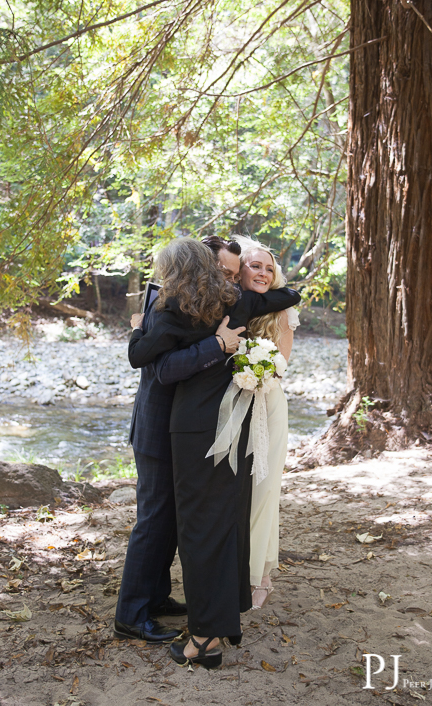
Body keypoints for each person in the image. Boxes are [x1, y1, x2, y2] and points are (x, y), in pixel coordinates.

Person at [127, 237, 300, 667]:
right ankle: (217, 624)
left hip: (200, 427)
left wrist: (138, 325)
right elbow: (289, 295)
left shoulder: (181, 308)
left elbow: (140, 356)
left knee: (204, 530)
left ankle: (206, 638)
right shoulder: (229, 304)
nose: (233, 276)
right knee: (220, 526)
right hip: (223, 426)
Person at [114, 238, 245, 643]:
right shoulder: (164, 302)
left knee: (170, 519)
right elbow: (159, 368)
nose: (229, 278)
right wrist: (217, 346)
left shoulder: (199, 299)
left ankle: (155, 598)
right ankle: (131, 615)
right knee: (154, 521)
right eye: (224, 270)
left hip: (179, 427)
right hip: (156, 428)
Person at [234, 236, 299, 609]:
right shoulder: (224, 303)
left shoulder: (281, 309)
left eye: (268, 268)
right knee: (234, 492)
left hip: (267, 402)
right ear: (239, 269)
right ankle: (234, 569)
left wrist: (257, 371)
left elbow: (283, 363)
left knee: (263, 488)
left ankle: (261, 575)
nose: (262, 273)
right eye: (255, 266)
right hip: (229, 404)